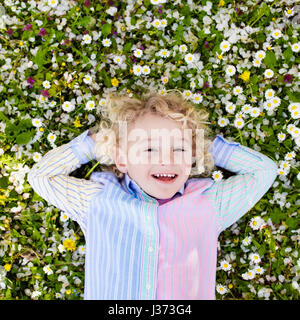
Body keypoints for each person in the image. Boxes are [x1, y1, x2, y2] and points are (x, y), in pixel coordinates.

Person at [27, 90, 278, 300]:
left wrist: (205, 145)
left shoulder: (209, 203)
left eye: (179, 148)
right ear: (122, 159)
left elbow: (264, 171)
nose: (167, 159)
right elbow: (42, 177)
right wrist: (97, 143)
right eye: (148, 148)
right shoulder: (98, 200)